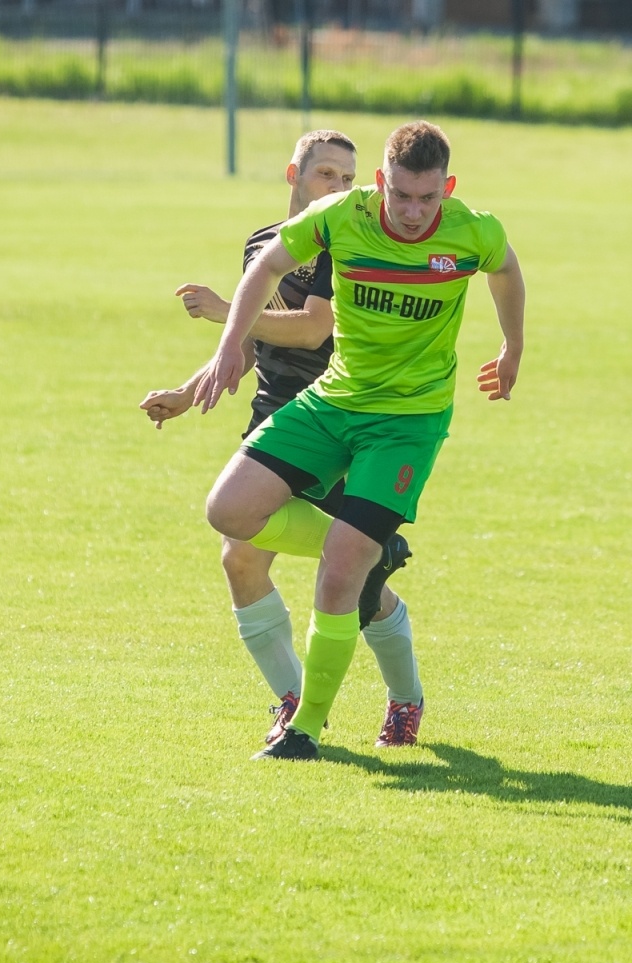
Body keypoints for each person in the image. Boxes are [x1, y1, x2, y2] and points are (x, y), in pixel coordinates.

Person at [191, 119, 525, 762]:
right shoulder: (343, 217)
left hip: (406, 424)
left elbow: (506, 270)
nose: (412, 211)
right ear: (381, 182)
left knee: (340, 575)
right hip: (333, 402)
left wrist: (512, 346)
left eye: (427, 199)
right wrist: (228, 347)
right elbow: (265, 265)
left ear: (447, 189)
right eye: (401, 195)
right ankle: (371, 549)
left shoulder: (473, 231)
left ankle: (305, 730)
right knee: (228, 513)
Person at [141, 130, 422, 750]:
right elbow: (242, 341)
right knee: (240, 554)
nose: (340, 189)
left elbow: (314, 328)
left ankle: (405, 701)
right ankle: (293, 700)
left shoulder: (346, 243)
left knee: (359, 588)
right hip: (276, 415)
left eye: (349, 179)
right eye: (327, 174)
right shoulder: (263, 244)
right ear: (293, 174)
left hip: (339, 419)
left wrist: (221, 310)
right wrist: (189, 395)